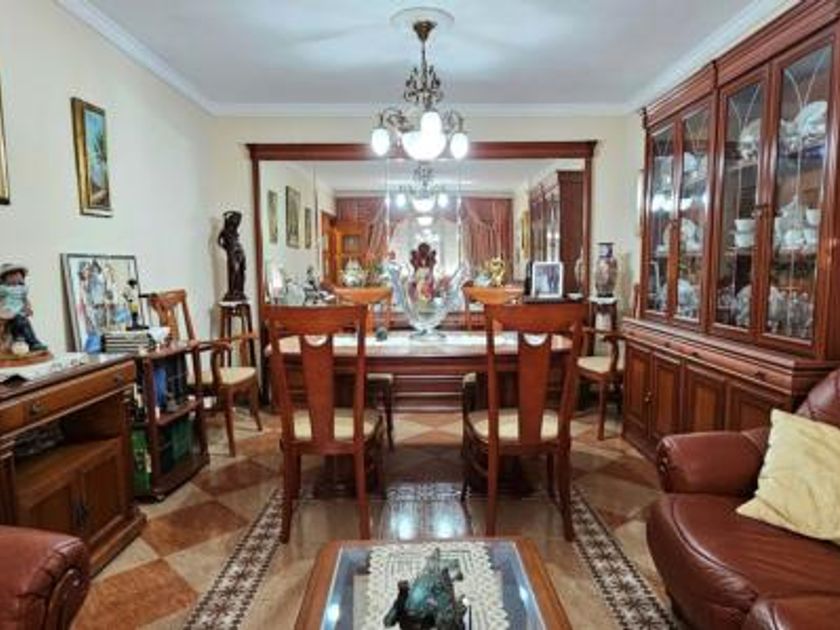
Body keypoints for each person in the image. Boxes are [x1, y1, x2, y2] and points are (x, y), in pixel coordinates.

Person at [0, 263, 47, 352]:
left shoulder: (22, 289)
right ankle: (29, 341)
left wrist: (28, 308)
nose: (15, 278)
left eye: (18, 275)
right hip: (8, 310)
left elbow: (24, 299)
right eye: (11, 276)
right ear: (4, 278)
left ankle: (30, 341)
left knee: (24, 322)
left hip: (19, 310)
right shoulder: (3, 289)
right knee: (19, 321)